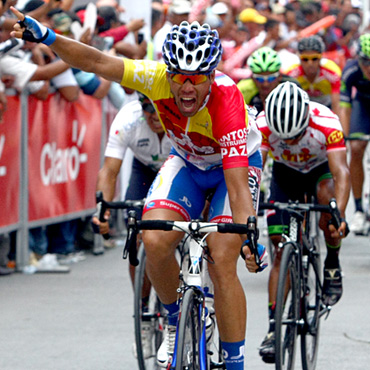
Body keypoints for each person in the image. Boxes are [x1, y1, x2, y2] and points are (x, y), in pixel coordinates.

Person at [10, 9, 268, 370]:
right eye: (179, 77)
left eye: (197, 78)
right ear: (168, 72)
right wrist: (49, 37)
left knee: (223, 257)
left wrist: (249, 237)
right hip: (189, 164)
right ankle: (176, 321)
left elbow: (238, 186)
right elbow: (96, 60)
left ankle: (234, 361)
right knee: (153, 237)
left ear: (212, 75)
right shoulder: (154, 78)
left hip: (232, 169)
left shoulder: (228, 101)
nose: (187, 88)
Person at [254, 81, 350, 364]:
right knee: (281, 249)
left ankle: (332, 261)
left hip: (320, 172)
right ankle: (274, 327)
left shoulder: (326, 123)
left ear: (306, 120)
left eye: (296, 136)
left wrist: (339, 214)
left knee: (328, 209)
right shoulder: (262, 125)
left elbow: (341, 171)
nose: (292, 142)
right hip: (285, 175)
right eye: (286, 139)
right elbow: (254, 170)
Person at [93, 93, 172, 359]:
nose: (153, 116)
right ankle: (143, 314)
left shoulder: (181, 119)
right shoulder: (128, 119)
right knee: (135, 233)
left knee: (177, 233)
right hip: (144, 171)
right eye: (147, 109)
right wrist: (101, 209)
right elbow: (109, 171)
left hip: (177, 170)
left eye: (157, 110)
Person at [340, 33, 370, 235]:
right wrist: (344, 134)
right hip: (362, 105)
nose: (369, 67)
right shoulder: (350, 70)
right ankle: (359, 209)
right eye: (365, 62)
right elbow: (344, 106)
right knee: (356, 148)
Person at [284, 35, 342, 116]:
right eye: (305, 59)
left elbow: (336, 105)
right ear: (299, 59)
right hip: (303, 110)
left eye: (314, 58)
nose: (310, 64)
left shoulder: (332, 72)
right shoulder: (291, 74)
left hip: (327, 107)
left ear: (321, 57)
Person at [237, 46, 300, 114]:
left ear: (279, 76)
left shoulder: (292, 88)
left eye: (271, 78)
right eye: (260, 79)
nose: (265, 84)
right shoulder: (242, 89)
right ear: (252, 78)